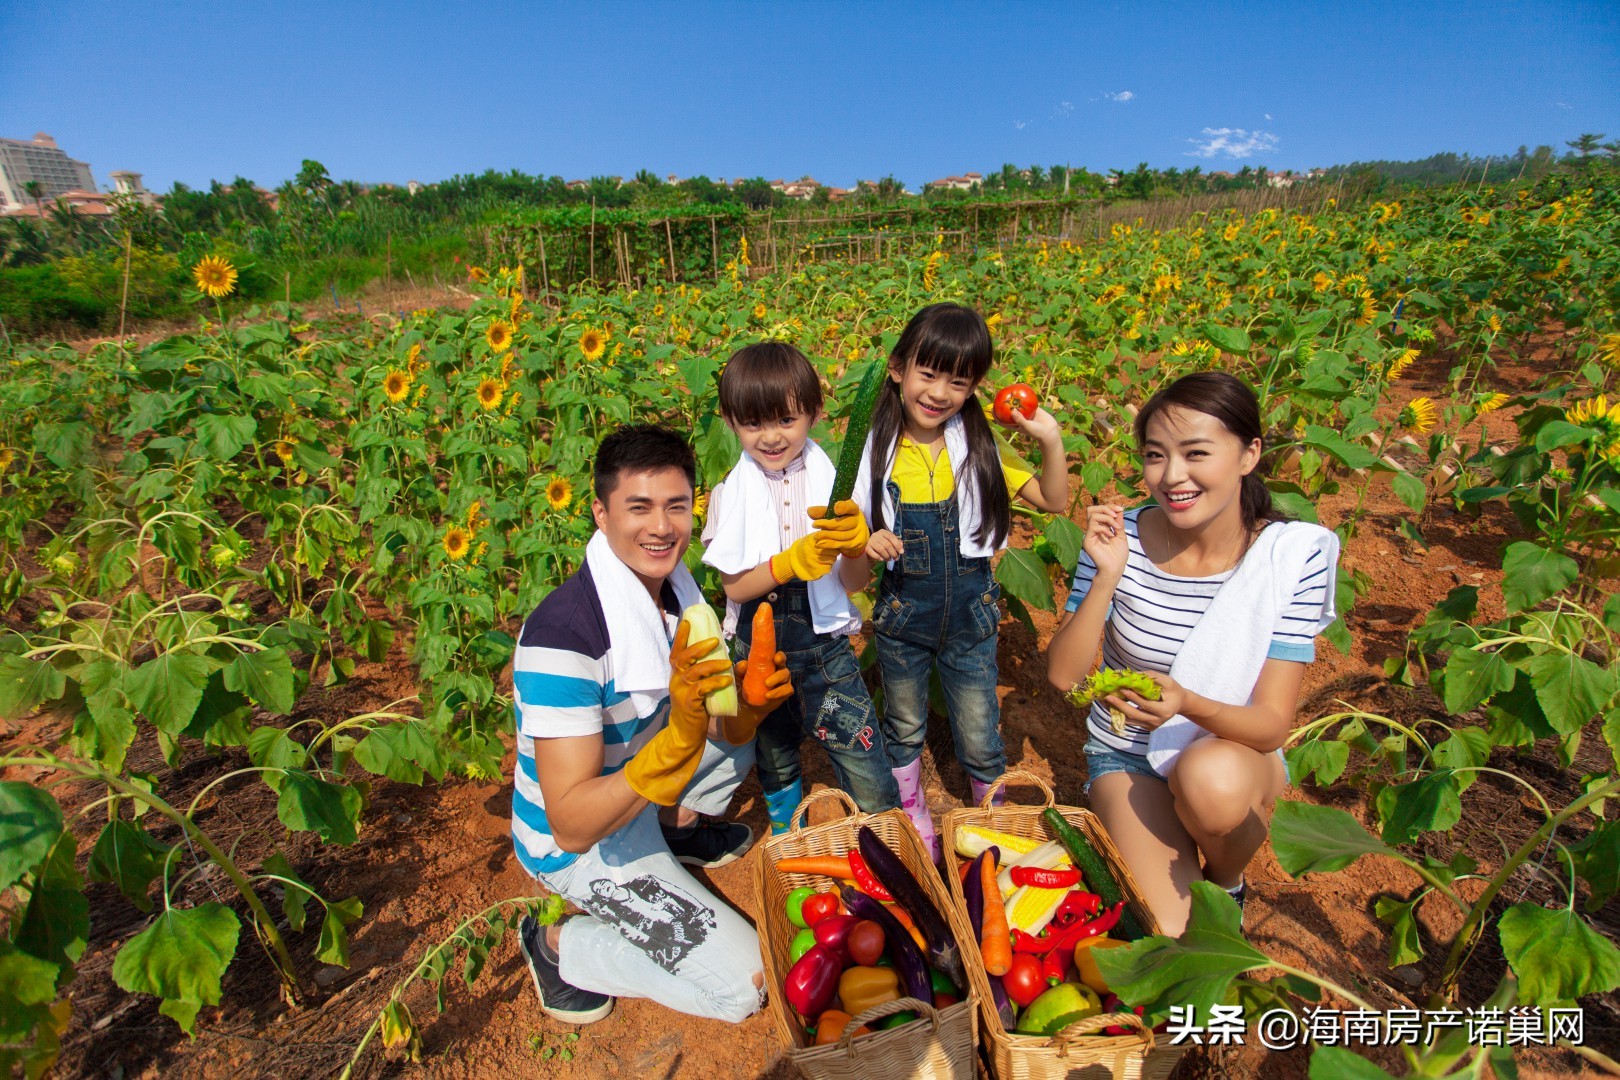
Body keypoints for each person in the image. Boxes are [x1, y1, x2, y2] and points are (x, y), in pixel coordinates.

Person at [510, 425, 793, 1024]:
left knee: (749, 731)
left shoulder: (680, 594)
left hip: (638, 789)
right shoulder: (564, 639)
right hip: (581, 845)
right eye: (638, 507)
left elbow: (719, 728)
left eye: (676, 506)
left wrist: (746, 711)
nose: (661, 527)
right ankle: (557, 945)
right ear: (600, 513)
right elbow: (571, 826)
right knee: (742, 987)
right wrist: (677, 745)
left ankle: (678, 829)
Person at [1045, 372, 1339, 935]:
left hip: (1231, 753)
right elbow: (1063, 675)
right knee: (1172, 939)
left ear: (1249, 453)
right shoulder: (1117, 538)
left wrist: (1185, 702)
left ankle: (1227, 878)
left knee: (1212, 782)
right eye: (1156, 456)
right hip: (1127, 757)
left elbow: (1271, 726)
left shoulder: (1284, 561)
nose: (1172, 476)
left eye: (1196, 453)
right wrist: (1107, 577)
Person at [851, 302, 1071, 857]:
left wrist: (1049, 438)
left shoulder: (979, 447)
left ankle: (989, 807)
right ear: (898, 369)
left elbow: (1053, 499)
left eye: (958, 381)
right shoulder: (872, 455)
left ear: (973, 387)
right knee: (902, 723)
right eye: (928, 373)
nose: (940, 392)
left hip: (972, 615)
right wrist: (866, 542)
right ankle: (911, 808)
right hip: (903, 617)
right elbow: (848, 535)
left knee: (979, 727)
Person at [701, 342, 900, 833]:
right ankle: (788, 838)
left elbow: (854, 585)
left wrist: (856, 549)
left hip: (825, 645)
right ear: (730, 421)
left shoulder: (840, 486)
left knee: (860, 750)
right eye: (753, 424)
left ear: (815, 412)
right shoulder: (730, 493)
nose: (771, 437)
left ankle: (887, 834)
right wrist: (790, 563)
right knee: (775, 752)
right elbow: (736, 587)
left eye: (787, 420)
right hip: (758, 648)